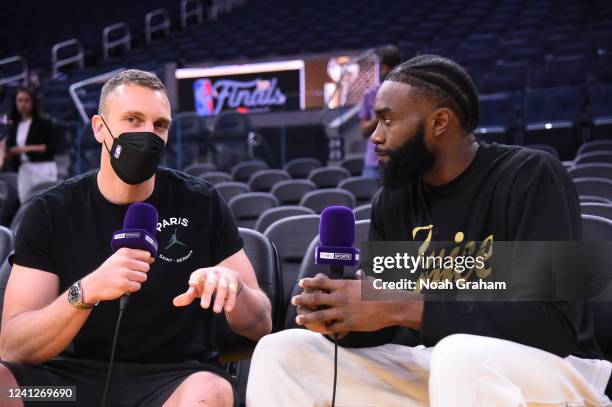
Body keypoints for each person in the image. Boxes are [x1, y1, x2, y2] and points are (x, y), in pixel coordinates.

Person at [246, 55, 612, 406]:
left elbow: (552, 324)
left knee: (460, 354)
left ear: (440, 122)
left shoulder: (529, 176)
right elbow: (388, 325)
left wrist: (404, 306)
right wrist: (344, 316)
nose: (375, 136)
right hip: (439, 363)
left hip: (558, 368)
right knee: (284, 352)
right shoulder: (394, 199)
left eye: (388, 121)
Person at [0, 69, 272, 407]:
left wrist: (237, 290)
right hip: (67, 387)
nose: (148, 135)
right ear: (100, 128)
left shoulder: (202, 203)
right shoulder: (51, 211)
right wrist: (86, 292)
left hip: (172, 380)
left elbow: (261, 324)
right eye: (133, 120)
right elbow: (13, 346)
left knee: (209, 393)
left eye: (160, 125)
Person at [6, 87, 58, 203]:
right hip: (24, 169)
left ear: (33, 102)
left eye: (26, 100)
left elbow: (52, 146)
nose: (23, 104)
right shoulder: (15, 125)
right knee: (25, 204)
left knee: (46, 202)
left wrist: (25, 149)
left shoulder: (44, 123)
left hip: (43, 167)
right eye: (19, 101)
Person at [359, 45, 402, 179]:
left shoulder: (407, 93)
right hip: (374, 163)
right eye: (387, 66)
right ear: (383, 67)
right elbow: (364, 131)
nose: (389, 71)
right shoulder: (370, 94)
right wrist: (381, 115)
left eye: (393, 67)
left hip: (399, 161)